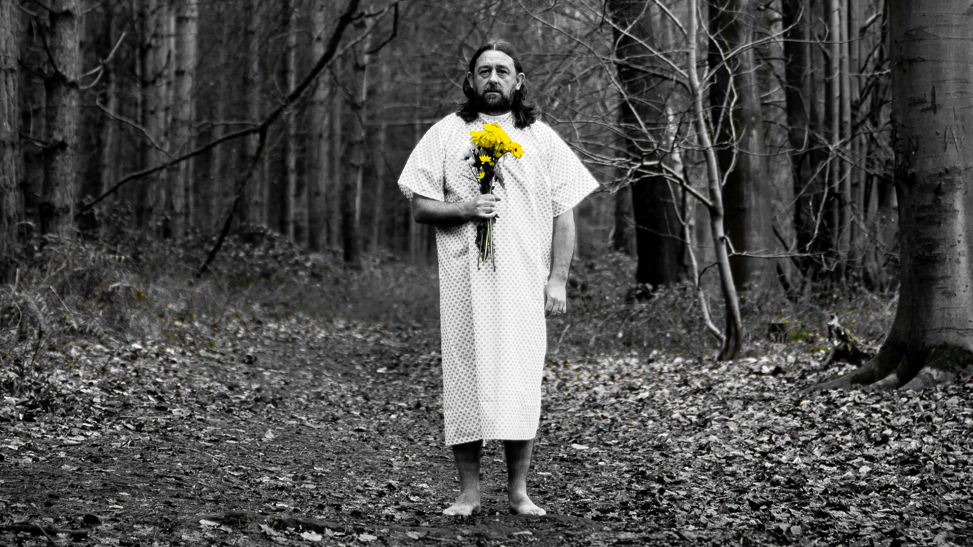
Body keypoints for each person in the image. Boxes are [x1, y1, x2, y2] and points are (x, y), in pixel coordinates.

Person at [397, 40, 599, 516]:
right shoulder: (447, 134)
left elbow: (563, 214)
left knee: (520, 383)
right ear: (470, 81)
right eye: (483, 70)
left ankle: (518, 492)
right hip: (465, 282)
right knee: (466, 380)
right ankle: (468, 492)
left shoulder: (541, 138)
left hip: (523, 285)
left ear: (518, 81)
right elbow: (420, 207)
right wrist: (466, 207)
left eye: (502, 71)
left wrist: (558, 280)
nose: (493, 78)